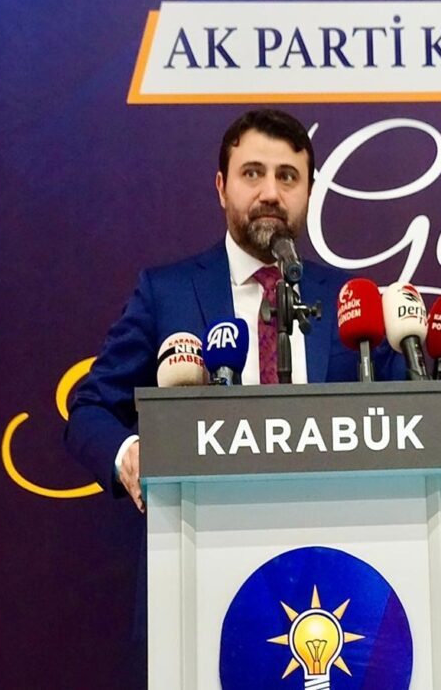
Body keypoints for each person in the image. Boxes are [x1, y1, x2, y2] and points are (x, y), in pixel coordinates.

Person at [65, 108, 406, 510]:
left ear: (309, 192)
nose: (270, 193)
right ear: (222, 188)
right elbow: (91, 410)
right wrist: (129, 455)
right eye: (252, 173)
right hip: (201, 533)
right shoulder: (167, 293)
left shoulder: (349, 299)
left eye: (287, 177)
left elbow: (413, 413)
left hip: (332, 535)